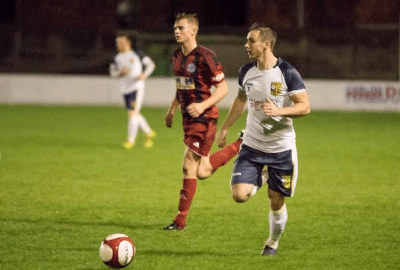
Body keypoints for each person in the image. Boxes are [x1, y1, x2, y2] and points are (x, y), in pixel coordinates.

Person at [216, 24, 310, 256]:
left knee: (275, 201)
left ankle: (273, 241)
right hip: (252, 145)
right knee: (239, 195)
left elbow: (305, 107)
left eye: (251, 41)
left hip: (281, 150)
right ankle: (260, 175)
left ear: (266, 44)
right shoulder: (246, 72)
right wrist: (226, 126)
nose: (246, 45)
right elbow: (240, 99)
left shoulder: (287, 72)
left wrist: (279, 111)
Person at [163, 13, 243, 230]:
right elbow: (181, 86)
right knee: (203, 170)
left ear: (193, 31)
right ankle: (240, 144)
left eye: (181, 27)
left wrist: (202, 105)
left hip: (204, 119)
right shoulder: (176, 56)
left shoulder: (206, 57)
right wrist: (172, 110)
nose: (176, 31)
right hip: (188, 119)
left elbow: (224, 89)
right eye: (175, 28)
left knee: (188, 165)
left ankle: (180, 221)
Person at [109, 35, 156, 149]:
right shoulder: (116, 57)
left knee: (132, 114)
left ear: (128, 43)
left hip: (137, 87)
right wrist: (119, 73)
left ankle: (130, 141)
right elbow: (112, 73)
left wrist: (144, 74)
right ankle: (149, 132)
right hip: (125, 89)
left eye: (122, 42)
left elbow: (151, 65)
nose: (120, 44)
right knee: (134, 113)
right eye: (118, 43)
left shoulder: (137, 54)